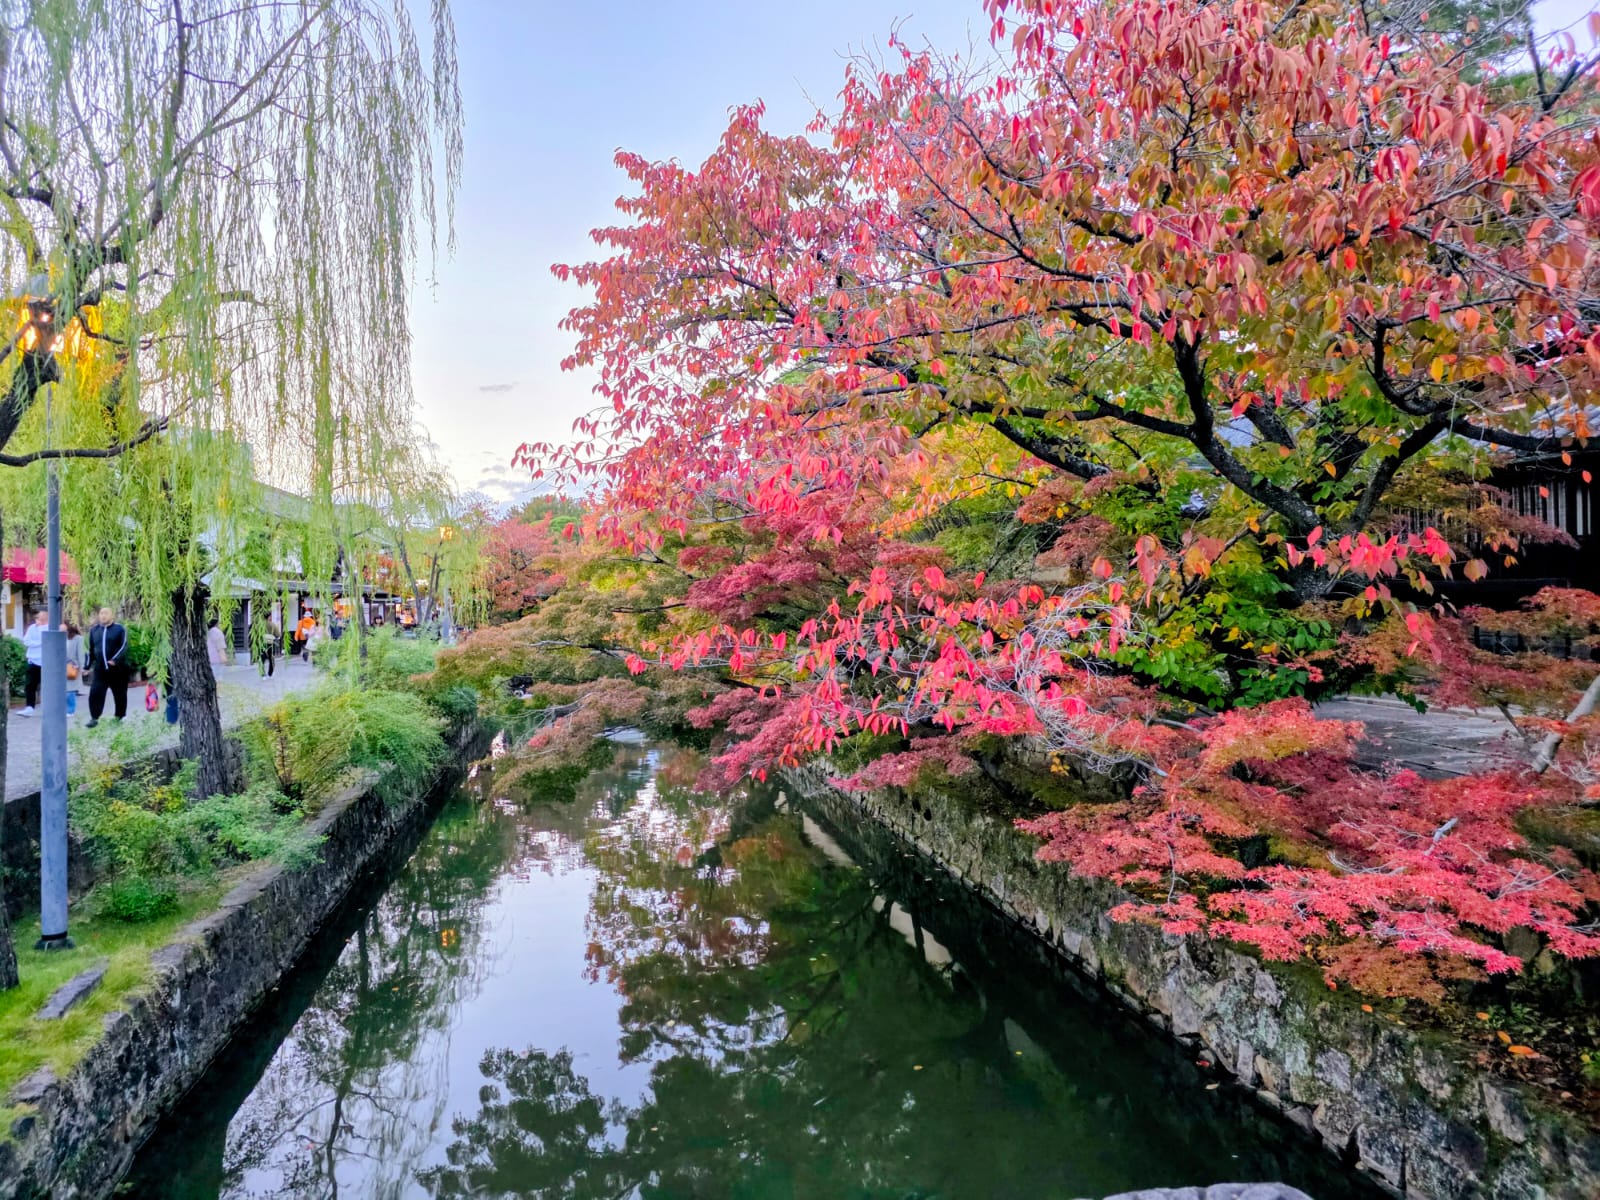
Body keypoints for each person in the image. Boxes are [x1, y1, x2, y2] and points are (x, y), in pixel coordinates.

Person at [87, 607, 130, 727]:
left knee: (120, 693)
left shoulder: (119, 629)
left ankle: (120, 716)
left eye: (106, 613)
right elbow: (91, 649)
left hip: (117, 669)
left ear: (112, 615)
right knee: (95, 692)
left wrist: (115, 660)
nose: (103, 616)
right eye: (101, 613)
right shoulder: (94, 630)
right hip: (100, 669)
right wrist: (87, 666)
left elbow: (124, 646)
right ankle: (94, 717)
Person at [19, 609, 45, 715]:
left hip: (46, 661)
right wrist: (39, 643)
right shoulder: (32, 628)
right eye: (37, 617)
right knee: (30, 685)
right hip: (33, 660)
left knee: (47, 686)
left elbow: (47, 642)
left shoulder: (48, 628)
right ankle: (30, 707)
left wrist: (35, 643)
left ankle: (48, 707)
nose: (38, 620)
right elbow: (26, 641)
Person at [64, 621, 84, 717]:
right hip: (60, 666)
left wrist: (81, 667)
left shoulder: (78, 638)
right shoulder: (59, 636)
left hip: (71, 666)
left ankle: (70, 710)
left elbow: (80, 654)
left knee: (70, 690)